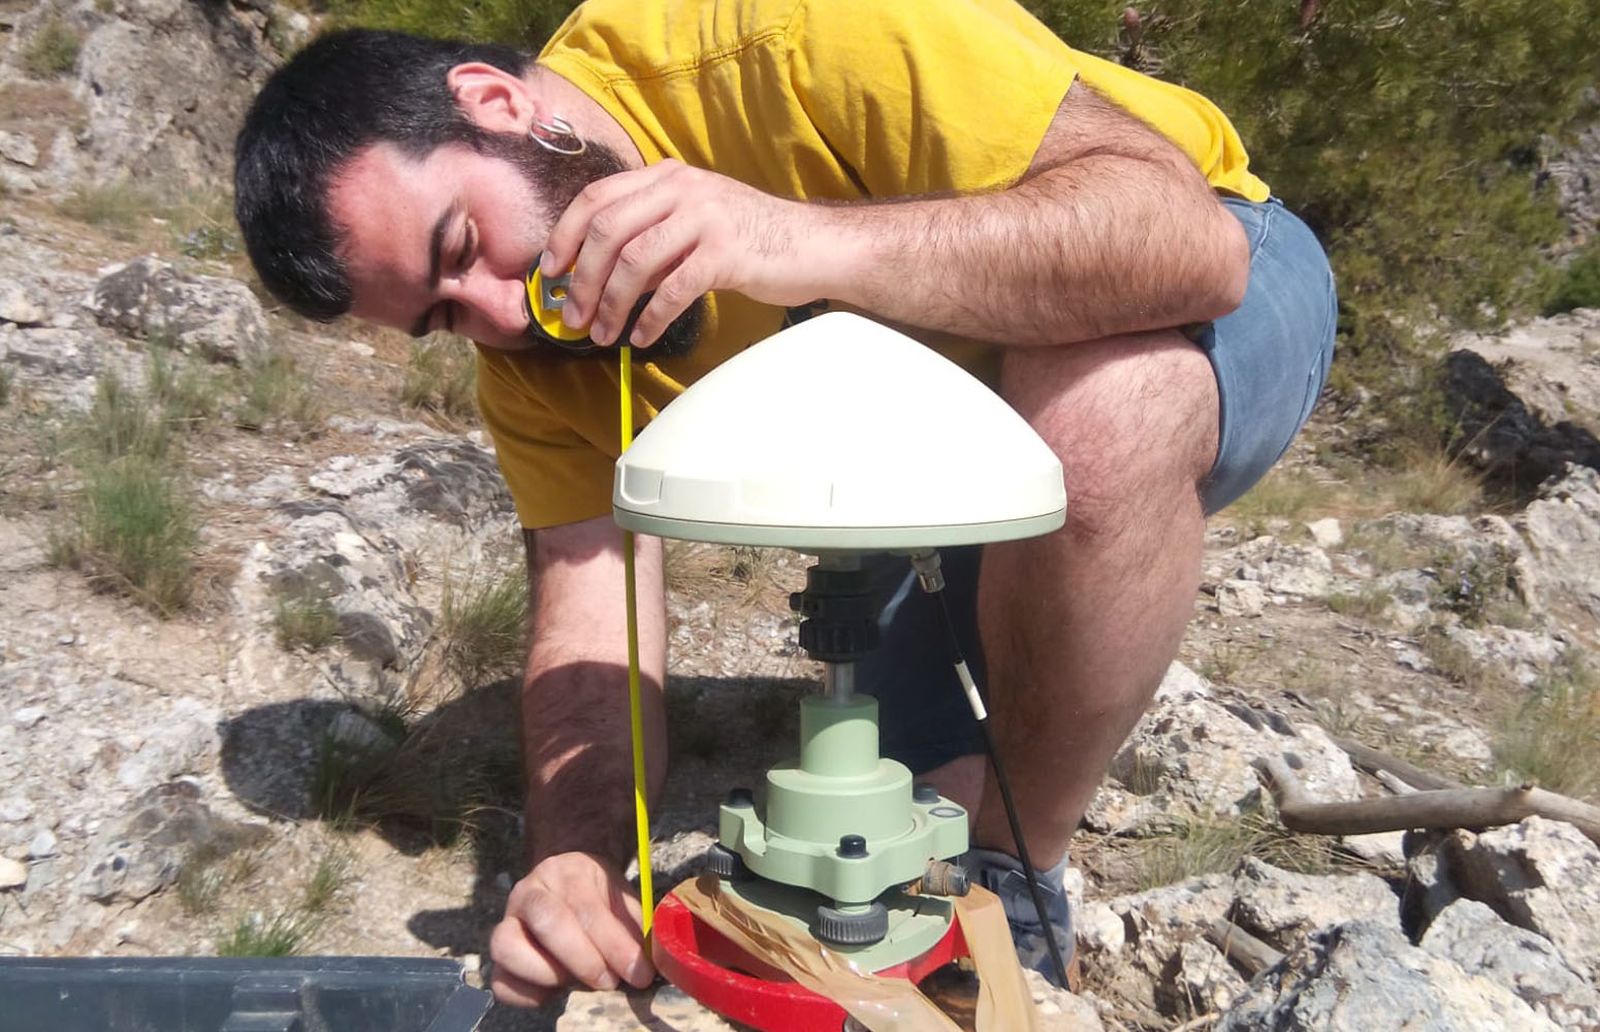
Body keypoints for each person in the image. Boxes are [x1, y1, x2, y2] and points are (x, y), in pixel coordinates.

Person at [234, 0, 1336, 1009]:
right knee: (904, 800)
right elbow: (590, 608)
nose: (502, 315)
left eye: (465, 248)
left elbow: (1188, 250)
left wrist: (792, 240)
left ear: (495, 103)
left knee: (1097, 416)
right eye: (444, 317)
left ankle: (1021, 867)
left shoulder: (793, 30)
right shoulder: (528, 357)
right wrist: (574, 860)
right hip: (937, 464)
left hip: (1210, 270)